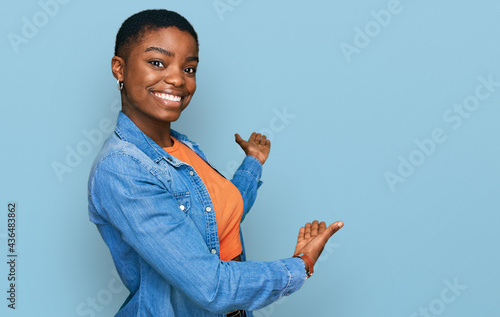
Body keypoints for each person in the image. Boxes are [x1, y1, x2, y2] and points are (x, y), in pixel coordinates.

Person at [87, 9, 343, 317]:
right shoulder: (122, 168)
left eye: (190, 68)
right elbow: (211, 286)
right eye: (157, 62)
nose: (177, 79)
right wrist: (300, 265)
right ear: (119, 68)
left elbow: (213, 219)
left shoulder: (183, 148)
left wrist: (253, 163)